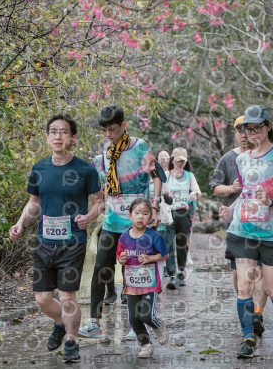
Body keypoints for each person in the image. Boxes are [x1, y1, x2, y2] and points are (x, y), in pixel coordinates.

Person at [9, 113, 104, 363]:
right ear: (47, 137)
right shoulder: (39, 168)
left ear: (73, 138)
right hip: (44, 242)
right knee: (42, 299)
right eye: (53, 131)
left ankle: (71, 342)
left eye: (63, 132)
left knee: (67, 296)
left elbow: (98, 202)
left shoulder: (85, 170)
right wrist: (20, 224)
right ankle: (62, 323)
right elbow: (34, 203)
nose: (58, 136)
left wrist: (88, 217)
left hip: (73, 242)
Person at [79, 105, 163, 339]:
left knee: (134, 269)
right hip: (112, 220)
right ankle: (94, 323)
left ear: (123, 126)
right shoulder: (106, 150)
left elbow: (156, 177)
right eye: (105, 130)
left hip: (136, 222)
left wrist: (155, 208)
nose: (108, 134)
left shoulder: (140, 147)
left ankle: (138, 325)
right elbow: (107, 183)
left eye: (113, 130)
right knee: (101, 267)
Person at [220, 105, 273, 358]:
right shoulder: (241, 160)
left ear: (268, 126)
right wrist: (231, 209)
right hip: (243, 230)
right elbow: (247, 192)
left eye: (257, 128)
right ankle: (248, 338)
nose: (252, 133)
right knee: (244, 286)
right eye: (248, 129)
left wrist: (272, 201)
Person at [211, 115, 267, 337]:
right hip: (236, 224)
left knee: (259, 271)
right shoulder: (227, 159)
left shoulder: (264, 157)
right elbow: (216, 187)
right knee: (239, 275)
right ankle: (246, 306)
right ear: (234, 134)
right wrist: (231, 188)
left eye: (248, 130)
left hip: (262, 223)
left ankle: (257, 314)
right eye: (240, 131)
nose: (244, 135)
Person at [117, 198, 169, 358]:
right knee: (133, 318)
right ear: (130, 215)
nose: (140, 217)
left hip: (149, 282)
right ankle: (146, 344)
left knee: (147, 315)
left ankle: (158, 326)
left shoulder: (154, 236)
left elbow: (165, 255)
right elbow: (119, 257)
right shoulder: (123, 237)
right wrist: (122, 259)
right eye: (137, 213)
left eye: (145, 214)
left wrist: (150, 258)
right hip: (131, 284)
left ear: (150, 218)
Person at [162, 147, 201, 289]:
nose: (180, 164)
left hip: (183, 214)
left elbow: (197, 190)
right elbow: (159, 191)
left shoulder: (189, 175)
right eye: (178, 161)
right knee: (168, 244)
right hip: (169, 213)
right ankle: (171, 274)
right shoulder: (166, 175)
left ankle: (181, 272)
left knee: (182, 244)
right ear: (173, 160)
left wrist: (194, 194)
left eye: (183, 161)